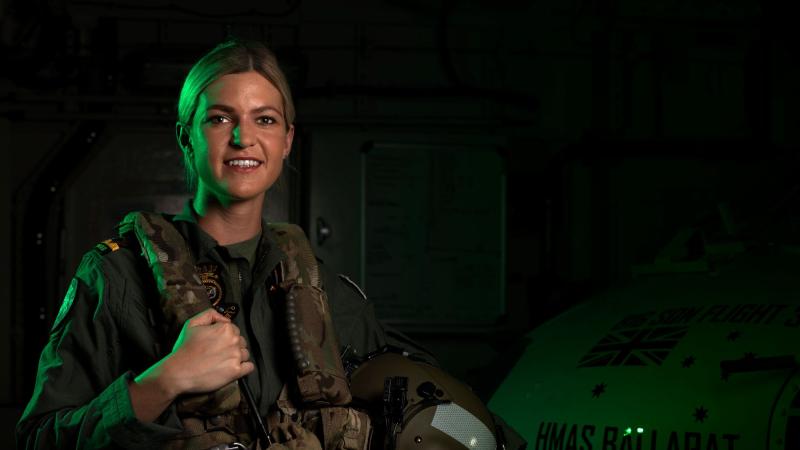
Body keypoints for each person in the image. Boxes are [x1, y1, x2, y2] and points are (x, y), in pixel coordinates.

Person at [17, 38, 524, 450]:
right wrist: (163, 382)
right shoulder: (116, 278)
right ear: (185, 137)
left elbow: (438, 404)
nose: (243, 138)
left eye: (265, 119)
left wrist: (473, 436)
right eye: (219, 118)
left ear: (286, 140)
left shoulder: (327, 293)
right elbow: (38, 439)